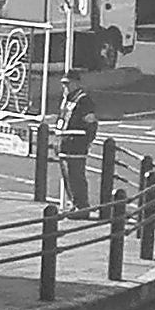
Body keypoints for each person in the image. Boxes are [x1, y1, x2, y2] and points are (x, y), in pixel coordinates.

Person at [56, 69, 98, 219]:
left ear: (76, 83)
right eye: (64, 84)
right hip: (65, 145)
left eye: (68, 84)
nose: (65, 87)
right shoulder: (67, 99)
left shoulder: (83, 100)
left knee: (76, 177)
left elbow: (91, 124)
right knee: (68, 177)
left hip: (76, 145)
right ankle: (75, 204)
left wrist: (84, 142)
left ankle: (82, 207)